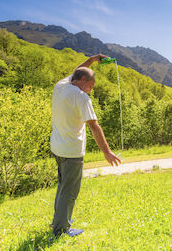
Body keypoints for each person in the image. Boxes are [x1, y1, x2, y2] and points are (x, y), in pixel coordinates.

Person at [50, 54, 121, 237]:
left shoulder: (60, 86)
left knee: (62, 186)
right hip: (72, 151)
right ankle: (61, 229)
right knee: (70, 190)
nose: (91, 90)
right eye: (91, 86)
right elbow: (94, 126)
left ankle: (59, 220)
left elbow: (76, 70)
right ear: (82, 80)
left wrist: (92, 59)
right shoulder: (81, 97)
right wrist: (107, 152)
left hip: (57, 147)